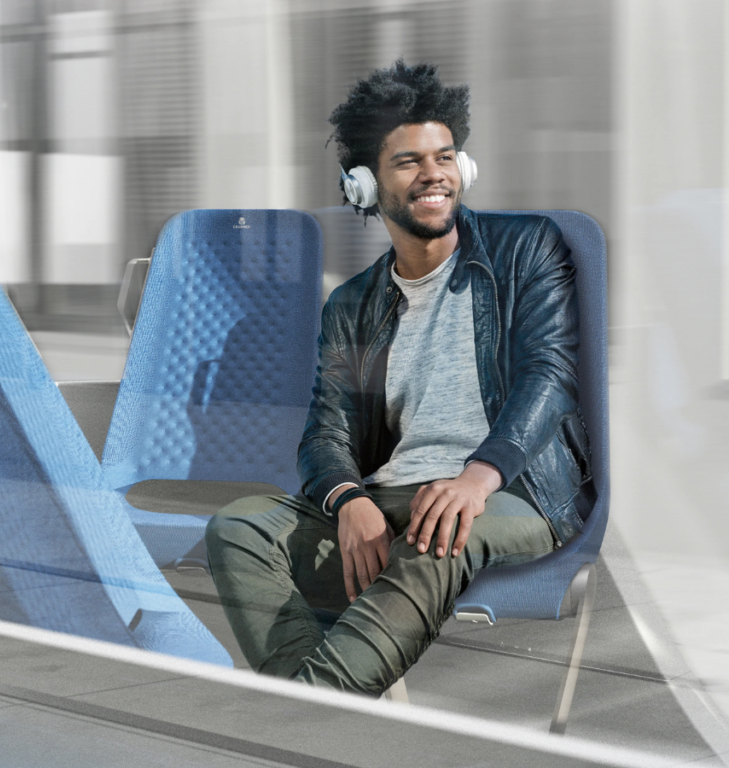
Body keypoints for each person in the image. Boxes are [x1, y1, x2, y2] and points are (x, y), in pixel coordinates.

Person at [204, 60, 595, 696]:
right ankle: (318, 710)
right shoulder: (353, 305)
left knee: (435, 533)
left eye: (445, 156)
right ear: (363, 185)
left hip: (512, 492)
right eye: (409, 161)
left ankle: (306, 717)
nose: (434, 173)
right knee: (241, 528)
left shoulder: (527, 248)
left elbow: (550, 373)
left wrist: (477, 476)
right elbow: (325, 428)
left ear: (463, 168)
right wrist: (347, 499)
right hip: (394, 493)